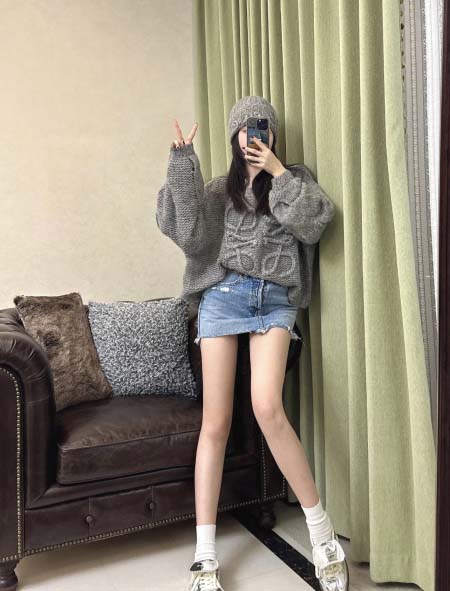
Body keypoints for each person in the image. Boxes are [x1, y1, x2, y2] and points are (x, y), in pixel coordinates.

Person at [156, 96, 348, 591]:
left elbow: (316, 222)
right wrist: (182, 164)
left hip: (274, 301)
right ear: (233, 137)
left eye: (260, 126)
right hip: (222, 299)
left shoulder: (293, 179)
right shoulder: (219, 191)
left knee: (268, 408)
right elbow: (184, 231)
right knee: (215, 423)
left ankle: (322, 537)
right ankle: (204, 557)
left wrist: (278, 172)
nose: (251, 134)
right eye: (242, 127)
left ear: (272, 133)